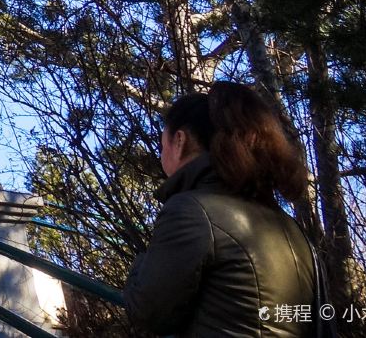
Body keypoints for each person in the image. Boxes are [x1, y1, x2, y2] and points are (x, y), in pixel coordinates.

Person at [123, 81, 320, 337]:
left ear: (180, 141)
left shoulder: (192, 211)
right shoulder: (290, 228)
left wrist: (141, 263)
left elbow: (147, 311)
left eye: (163, 145)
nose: (162, 155)